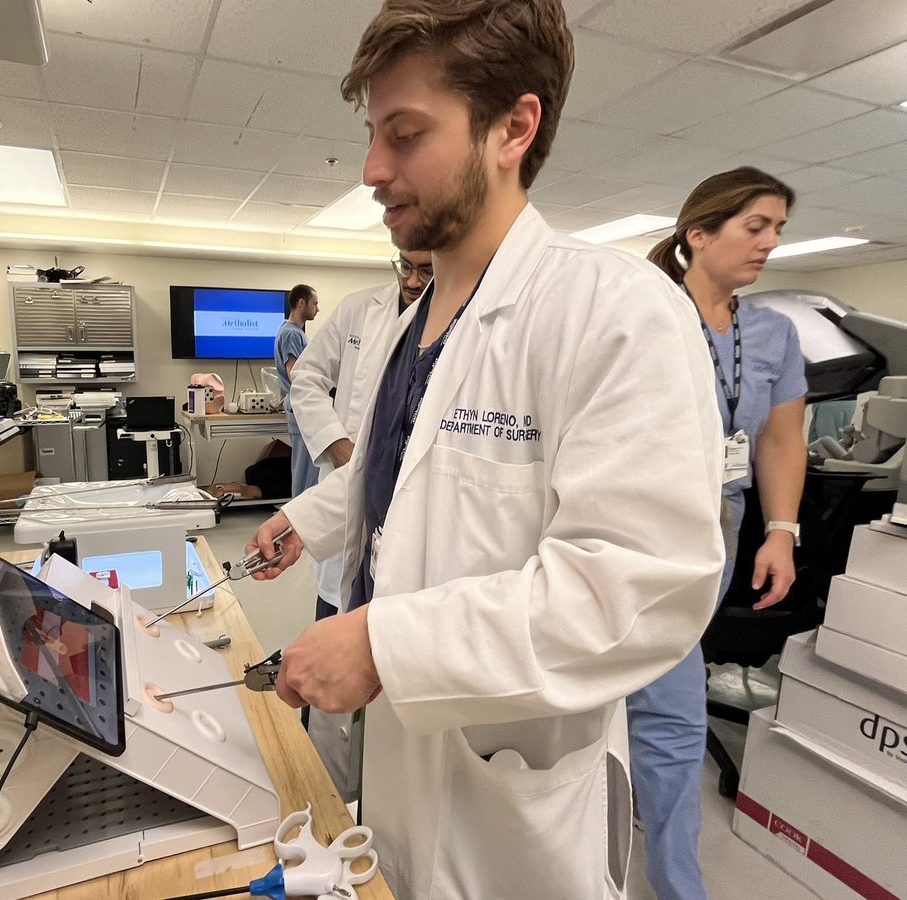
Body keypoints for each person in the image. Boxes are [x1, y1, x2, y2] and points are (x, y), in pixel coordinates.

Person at [243, 2, 725, 897]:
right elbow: (408, 486)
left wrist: (389, 647)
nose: (372, 169)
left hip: (515, 809)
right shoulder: (403, 330)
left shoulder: (614, 315)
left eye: (406, 134)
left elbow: (642, 587)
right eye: (372, 134)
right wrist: (305, 519)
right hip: (396, 775)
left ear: (515, 125)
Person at [634, 167, 808, 900]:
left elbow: (780, 438)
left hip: (718, 526)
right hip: (634, 522)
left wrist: (783, 531)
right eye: (755, 226)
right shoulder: (643, 311)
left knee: (667, 699)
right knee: (647, 706)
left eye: (777, 230)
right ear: (698, 232)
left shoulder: (772, 331)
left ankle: (671, 872)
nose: (769, 243)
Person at [289, 249, 431, 768]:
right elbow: (306, 381)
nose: (413, 281)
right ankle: (318, 783)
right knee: (332, 637)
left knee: (385, 670)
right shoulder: (356, 310)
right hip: (348, 509)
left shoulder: (458, 320)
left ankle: (372, 788)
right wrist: (339, 446)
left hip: (411, 526)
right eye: (405, 267)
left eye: (427, 270)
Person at [275, 283, 321, 497]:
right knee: (305, 469)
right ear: (301, 303)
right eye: (315, 303)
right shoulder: (292, 334)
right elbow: (295, 373)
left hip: (299, 405)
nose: (317, 309)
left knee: (306, 467)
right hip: (300, 405)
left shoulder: (292, 332)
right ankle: (300, 521)